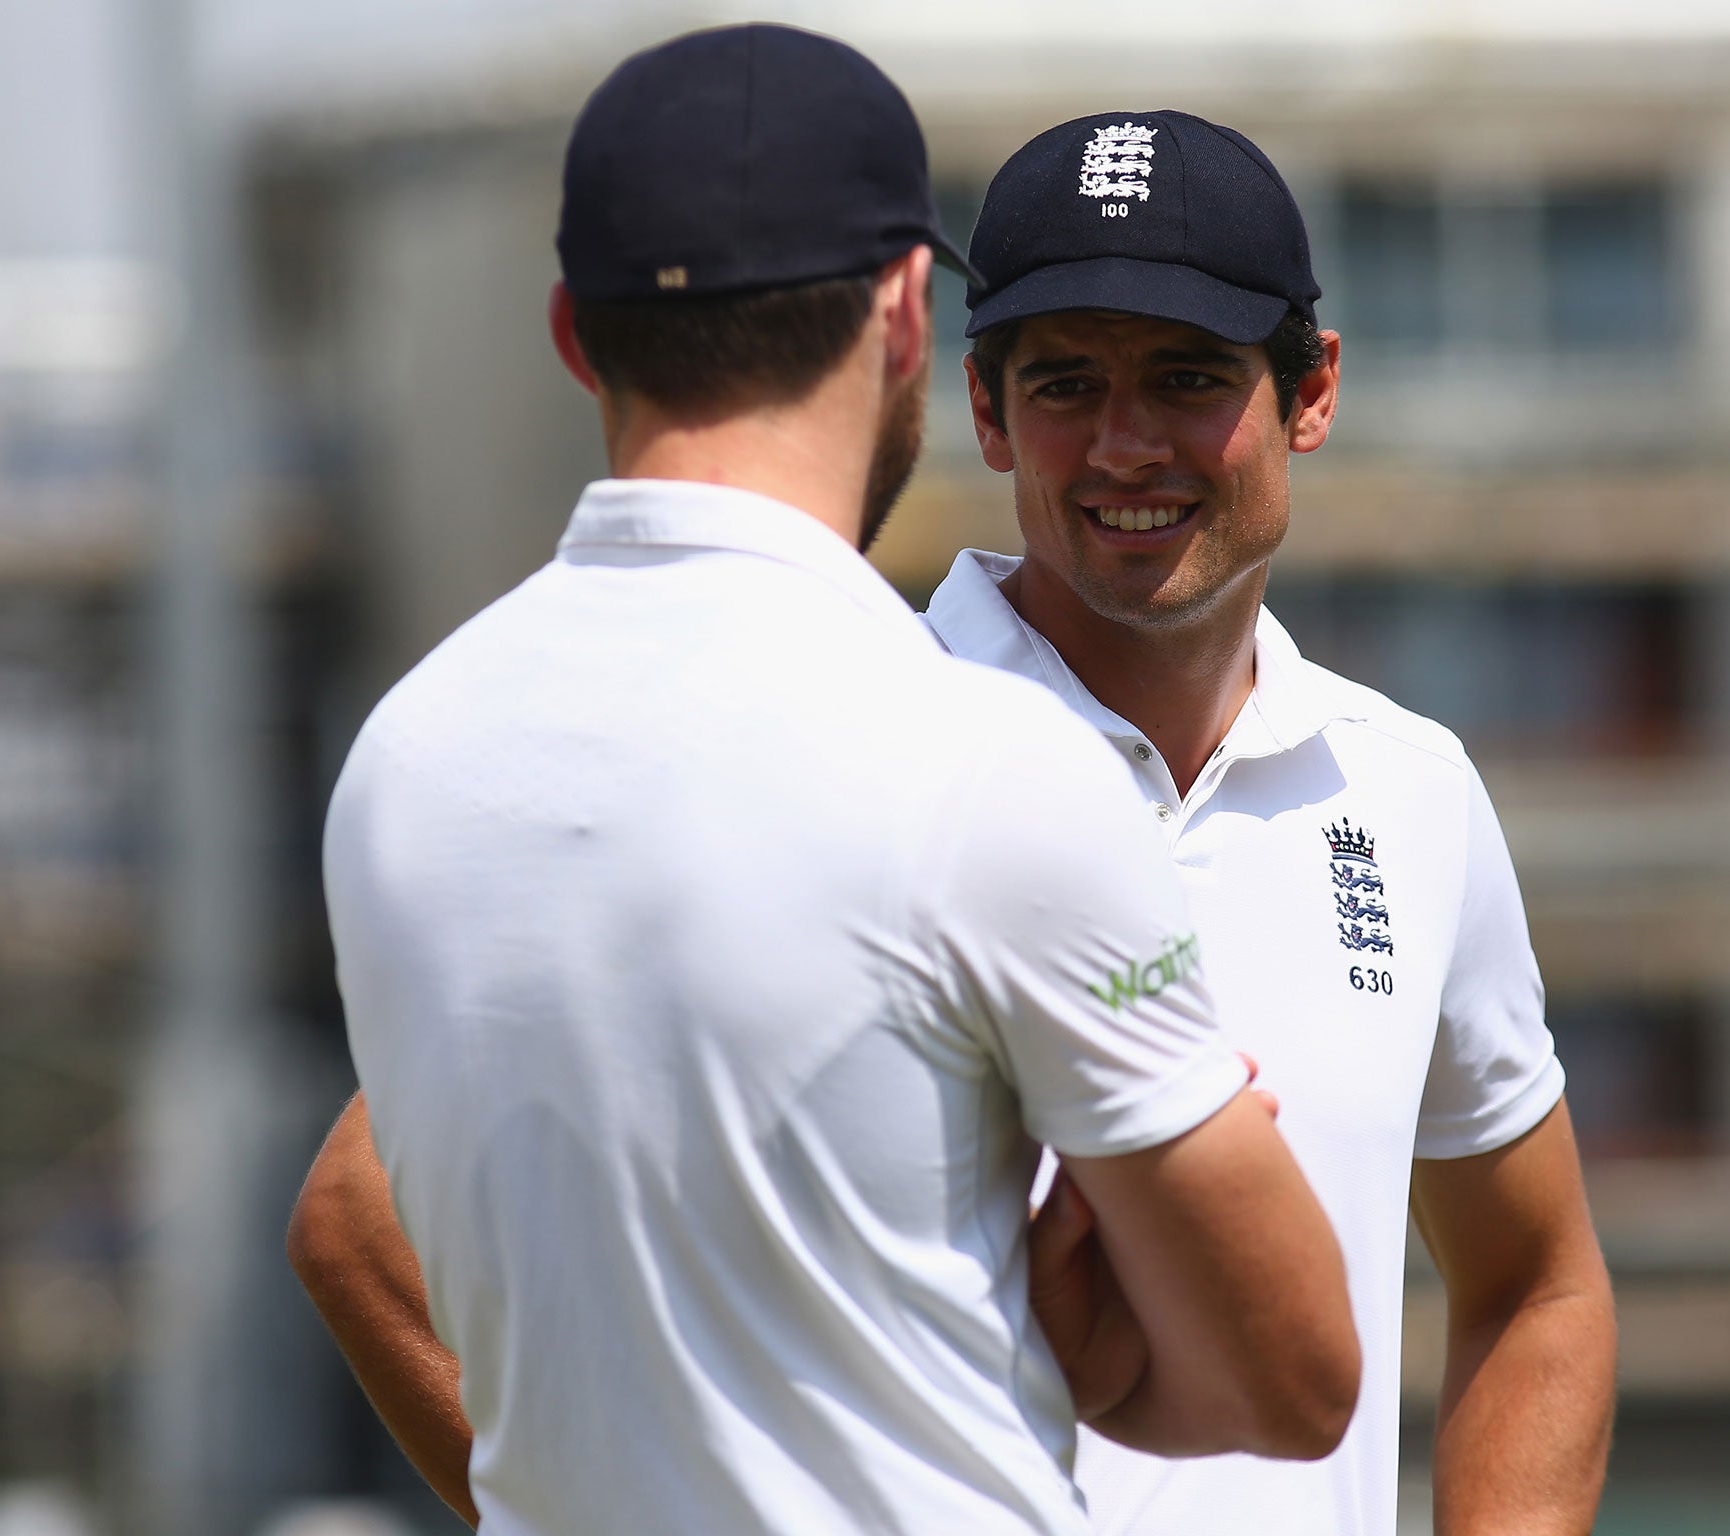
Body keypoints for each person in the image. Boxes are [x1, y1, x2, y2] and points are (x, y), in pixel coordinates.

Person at [304, 28, 1357, 1536]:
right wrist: (1077, 1336)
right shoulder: (989, 763)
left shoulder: (405, 761)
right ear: (907, 314)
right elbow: (1298, 1378)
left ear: (571, 331)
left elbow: (357, 1228)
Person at [944, 111, 1617, 1535]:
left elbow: (1538, 1289)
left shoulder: (1407, 788)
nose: (1124, 447)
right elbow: (364, 1221)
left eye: (1187, 379)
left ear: (1311, 390)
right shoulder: (849, 741)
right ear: (988, 410)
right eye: (1065, 383)